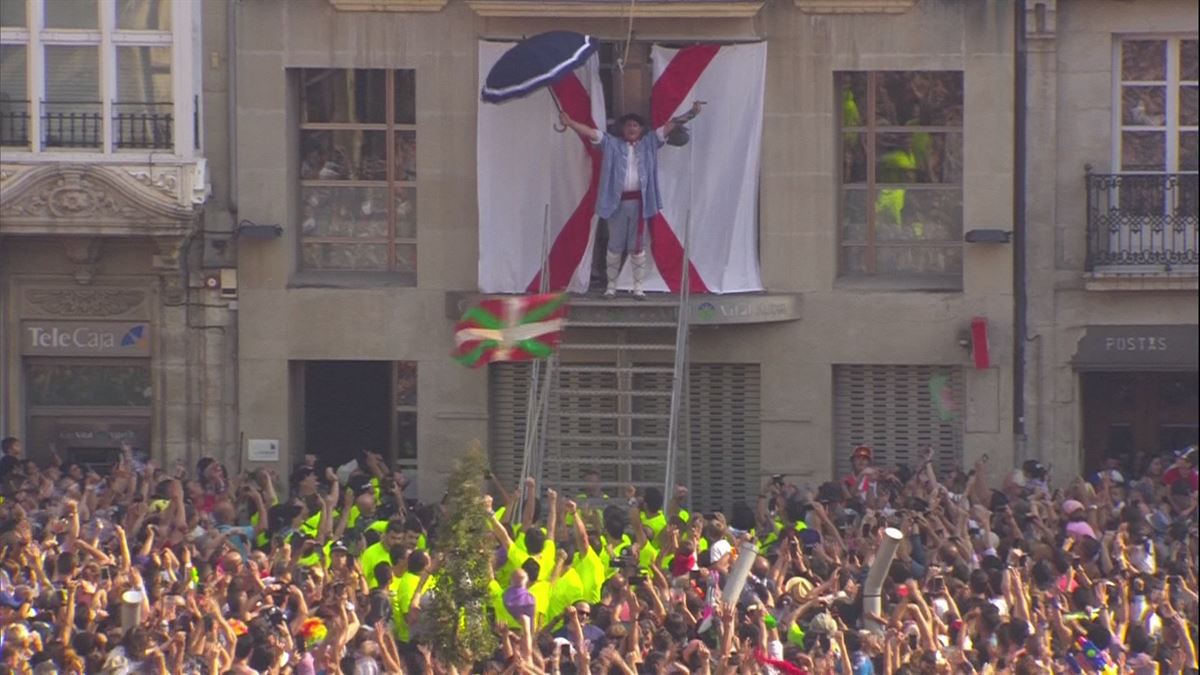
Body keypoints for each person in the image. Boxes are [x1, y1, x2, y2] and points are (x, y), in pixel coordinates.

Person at [559, 102, 703, 298]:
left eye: (635, 125)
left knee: (638, 245)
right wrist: (570, 123)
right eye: (628, 126)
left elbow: (670, 125)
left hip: (641, 203)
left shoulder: (650, 142)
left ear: (641, 129)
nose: (632, 128)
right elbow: (591, 133)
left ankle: (638, 287)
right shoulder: (611, 143)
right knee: (615, 244)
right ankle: (611, 285)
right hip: (615, 203)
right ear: (623, 129)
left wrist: (692, 113)